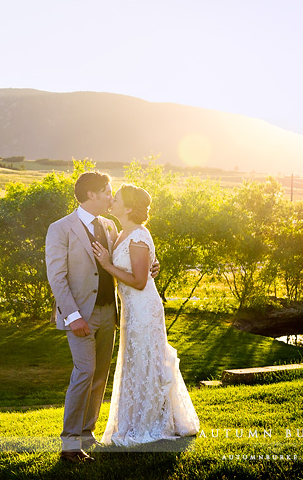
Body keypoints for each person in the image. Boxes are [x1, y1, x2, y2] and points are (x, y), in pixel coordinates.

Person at [45, 172, 159, 463]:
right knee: (84, 372)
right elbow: (57, 278)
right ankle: (69, 445)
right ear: (92, 195)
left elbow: (132, 259)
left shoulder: (110, 227)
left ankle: (87, 434)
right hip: (80, 315)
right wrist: (73, 316)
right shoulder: (60, 229)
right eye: (108, 192)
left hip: (110, 313)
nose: (112, 197)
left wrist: (151, 266)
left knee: (99, 375)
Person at [92, 184, 199, 447]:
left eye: (116, 199)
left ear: (128, 208)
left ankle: (150, 423)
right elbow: (142, 267)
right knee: (136, 363)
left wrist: (106, 265)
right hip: (132, 310)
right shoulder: (121, 233)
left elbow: (139, 282)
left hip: (143, 309)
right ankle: (137, 420)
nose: (112, 200)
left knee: (146, 362)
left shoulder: (137, 235)